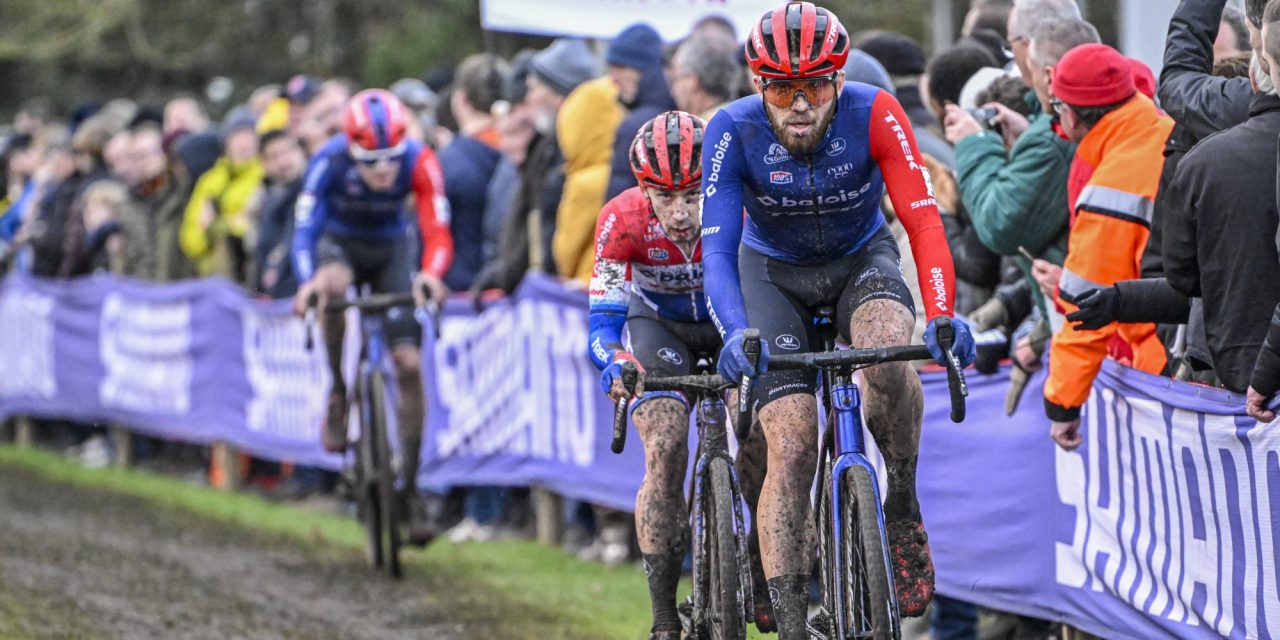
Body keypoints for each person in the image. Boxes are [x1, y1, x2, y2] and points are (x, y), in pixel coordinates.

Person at [700, 3, 976, 636]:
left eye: (816, 86)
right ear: (757, 85)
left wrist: (940, 312)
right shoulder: (731, 129)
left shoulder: (876, 112)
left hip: (860, 261)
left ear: (840, 81)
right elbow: (715, 249)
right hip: (771, 275)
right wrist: (736, 331)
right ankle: (795, 617)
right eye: (783, 88)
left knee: (884, 350)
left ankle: (901, 500)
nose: (801, 104)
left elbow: (924, 221)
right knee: (792, 440)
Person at [290, 89, 453, 543]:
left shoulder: (421, 160)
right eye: (370, 161)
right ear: (351, 150)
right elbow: (303, 231)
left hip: (390, 251)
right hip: (338, 244)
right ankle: (340, 393)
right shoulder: (328, 160)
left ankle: (412, 486)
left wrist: (430, 274)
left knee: (408, 366)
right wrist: (307, 282)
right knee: (333, 287)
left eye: (390, 159)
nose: (383, 170)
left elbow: (436, 229)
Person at [1042, 44, 1174, 451]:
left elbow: (1086, 308)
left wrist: (1062, 405)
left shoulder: (1113, 185)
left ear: (1072, 114)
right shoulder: (1165, 128)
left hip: (1167, 367)